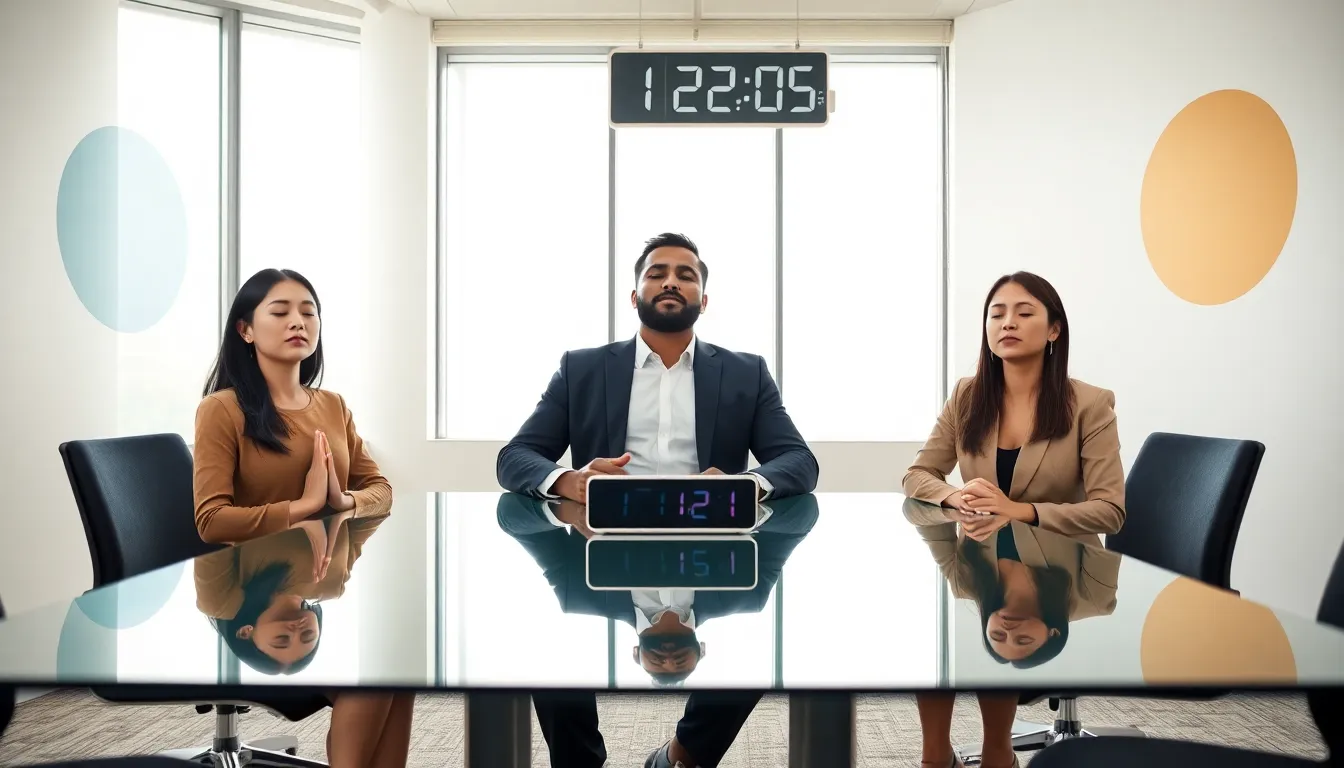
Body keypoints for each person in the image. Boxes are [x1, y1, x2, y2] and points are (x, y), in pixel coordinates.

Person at [497, 232, 819, 768]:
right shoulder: (582, 367)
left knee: (764, 661)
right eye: (657, 272)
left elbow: (799, 463)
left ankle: (682, 757)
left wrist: (745, 485)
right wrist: (568, 480)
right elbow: (516, 457)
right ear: (636, 295)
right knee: (547, 655)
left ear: (702, 300)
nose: (671, 281)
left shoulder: (745, 371)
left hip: (711, 544)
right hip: (599, 542)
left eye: (685, 274)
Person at [901, 271, 1126, 768]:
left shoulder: (1090, 403)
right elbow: (918, 474)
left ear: (1053, 330)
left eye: (1025, 313)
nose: (1008, 323)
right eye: (997, 313)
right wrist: (955, 496)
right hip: (983, 544)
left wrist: (1019, 510)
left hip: (1065, 554)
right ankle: (935, 756)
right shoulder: (967, 395)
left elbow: (1110, 509)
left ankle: (996, 750)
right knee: (933, 644)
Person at [192, 268, 414, 768]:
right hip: (238, 569)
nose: (299, 321)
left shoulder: (332, 406)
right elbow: (211, 521)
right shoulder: (222, 410)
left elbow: (380, 489)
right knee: (378, 672)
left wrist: (343, 501)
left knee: (396, 669)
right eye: (281, 311)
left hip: (315, 550)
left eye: (308, 311)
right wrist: (302, 508)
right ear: (245, 329)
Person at [903, 497, 1120, 669]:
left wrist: (956, 508)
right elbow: (1105, 522)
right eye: (1023, 639)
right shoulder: (1093, 599)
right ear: (1054, 633)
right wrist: (1017, 510)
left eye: (997, 635)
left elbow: (914, 508)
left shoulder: (965, 583)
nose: (1009, 631)